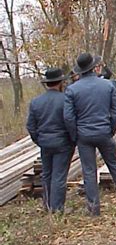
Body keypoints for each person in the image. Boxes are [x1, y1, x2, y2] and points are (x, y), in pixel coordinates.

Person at [64, 53, 116, 216]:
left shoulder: (72, 89)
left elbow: (69, 117)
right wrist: (110, 130)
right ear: (94, 67)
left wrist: (75, 135)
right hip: (104, 131)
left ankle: (93, 208)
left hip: (83, 135)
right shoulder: (108, 85)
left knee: (89, 171)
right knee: (114, 166)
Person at [26, 68, 74, 213]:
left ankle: (47, 205)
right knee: (59, 176)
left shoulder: (36, 102)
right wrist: (73, 140)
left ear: (47, 83)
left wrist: (39, 140)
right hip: (63, 143)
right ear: (60, 82)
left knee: (47, 174)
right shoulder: (65, 99)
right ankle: (57, 208)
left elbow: (30, 126)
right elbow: (70, 121)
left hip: (45, 143)